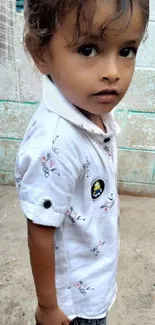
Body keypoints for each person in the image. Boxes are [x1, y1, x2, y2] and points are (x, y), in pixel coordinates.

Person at [15, 1, 149, 325]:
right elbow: (40, 230)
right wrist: (48, 307)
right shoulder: (55, 145)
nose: (113, 72)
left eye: (127, 50)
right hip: (74, 307)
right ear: (41, 53)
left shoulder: (93, 109)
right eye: (89, 49)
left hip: (96, 279)